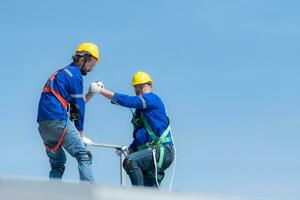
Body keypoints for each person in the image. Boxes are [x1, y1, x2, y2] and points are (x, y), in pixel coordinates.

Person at [90, 71, 174, 187]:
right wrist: (130, 149)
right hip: (153, 153)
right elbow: (143, 136)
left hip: (163, 151)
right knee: (150, 193)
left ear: (150, 86)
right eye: (136, 87)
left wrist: (101, 90)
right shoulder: (141, 111)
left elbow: (128, 101)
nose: (138, 90)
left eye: (141, 86)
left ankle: (135, 196)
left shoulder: (152, 99)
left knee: (131, 162)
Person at [37, 42, 101, 183]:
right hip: (58, 120)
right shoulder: (76, 75)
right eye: (91, 64)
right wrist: (80, 132)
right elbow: (78, 106)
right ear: (82, 59)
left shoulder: (63, 73)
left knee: (57, 164)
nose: (91, 69)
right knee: (83, 156)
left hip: (44, 125)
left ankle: (53, 195)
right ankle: (89, 193)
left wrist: (91, 94)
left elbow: (72, 104)